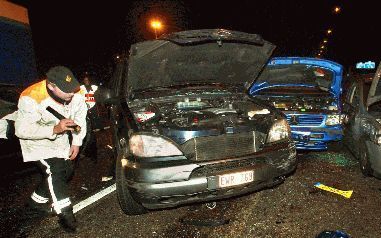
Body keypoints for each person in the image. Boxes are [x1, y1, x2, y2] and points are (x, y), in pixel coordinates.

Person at [15, 66, 87, 233]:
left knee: (66, 171)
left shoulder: (77, 93)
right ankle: (66, 216)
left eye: (73, 88)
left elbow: (80, 119)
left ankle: (34, 205)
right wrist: (54, 130)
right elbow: (22, 130)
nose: (71, 93)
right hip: (38, 141)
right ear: (51, 86)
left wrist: (76, 142)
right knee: (55, 170)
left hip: (61, 139)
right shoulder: (31, 97)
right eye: (66, 90)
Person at [79, 74, 99, 163]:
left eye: (88, 79)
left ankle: (91, 153)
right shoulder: (81, 88)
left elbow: (99, 95)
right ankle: (87, 151)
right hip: (84, 110)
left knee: (92, 131)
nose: (86, 81)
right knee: (87, 131)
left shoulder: (94, 87)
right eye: (85, 80)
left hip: (93, 108)